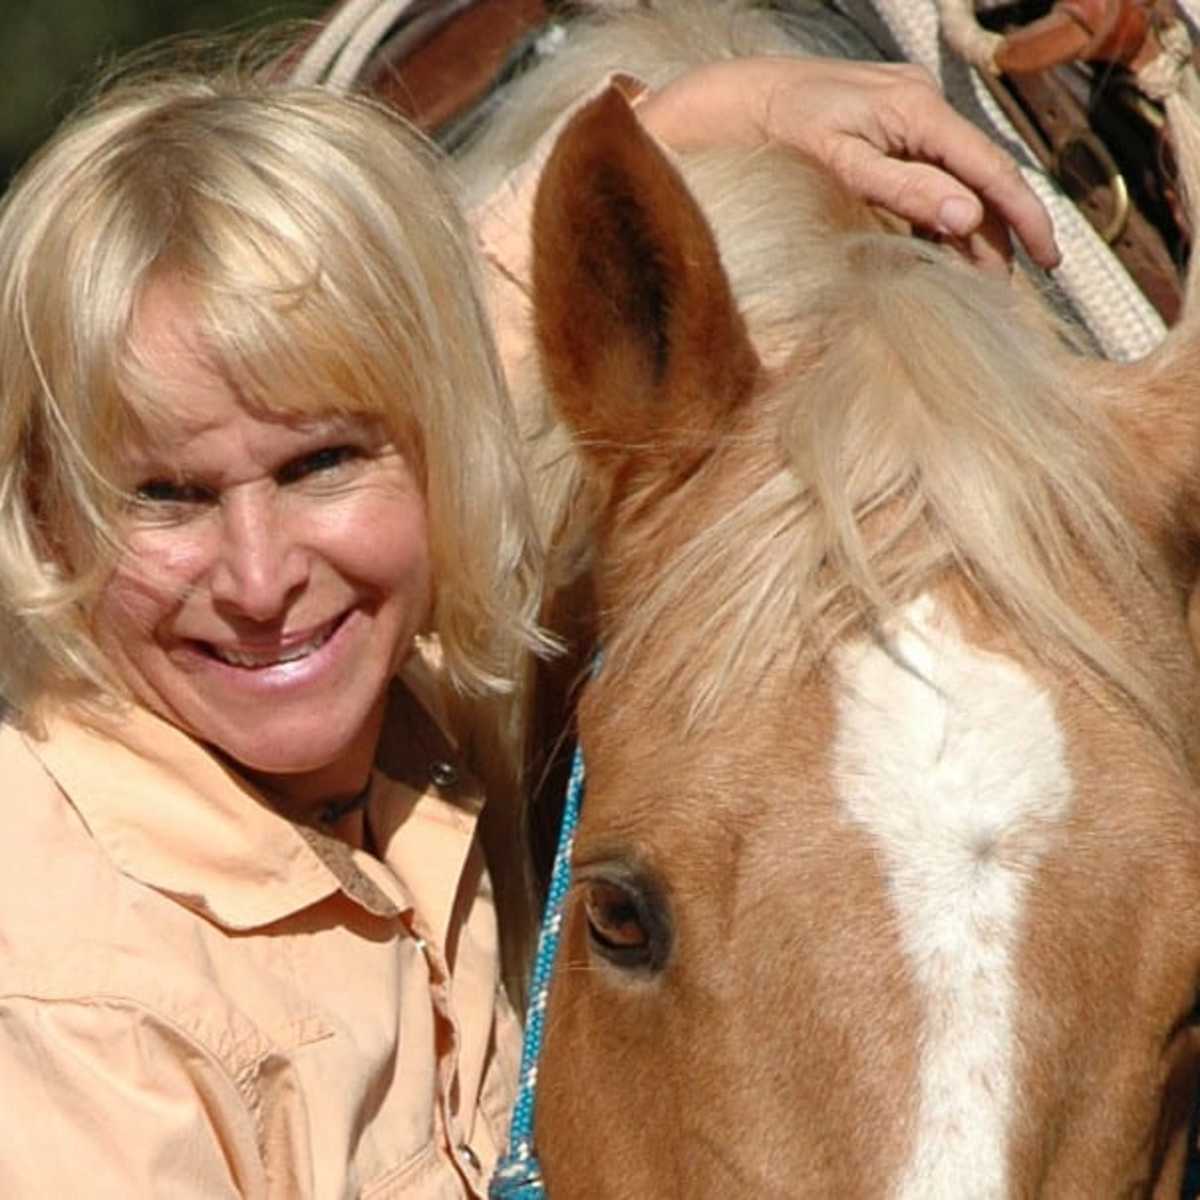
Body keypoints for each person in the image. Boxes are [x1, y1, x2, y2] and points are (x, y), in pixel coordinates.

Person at [0, 20, 1057, 1198]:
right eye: (165, 497)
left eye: (320, 466)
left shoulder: (369, 683)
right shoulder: (76, 1015)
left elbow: (470, 322)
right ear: (45, 513)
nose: (259, 583)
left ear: (437, 447)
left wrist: (711, 115)